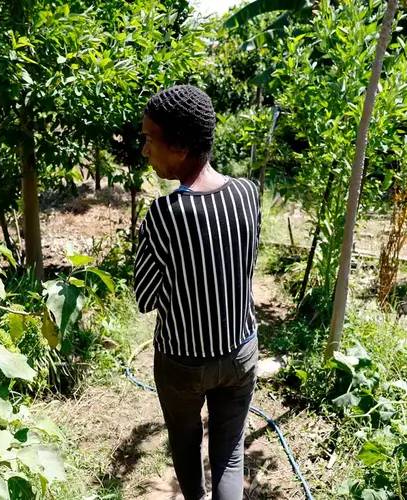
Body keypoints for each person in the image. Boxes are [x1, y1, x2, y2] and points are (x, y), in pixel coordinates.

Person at [134, 84, 261, 500]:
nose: (145, 150)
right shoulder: (248, 194)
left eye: (150, 139)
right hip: (239, 352)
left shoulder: (164, 215)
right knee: (229, 455)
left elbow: (145, 297)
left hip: (182, 363)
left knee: (187, 448)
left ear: (182, 146)